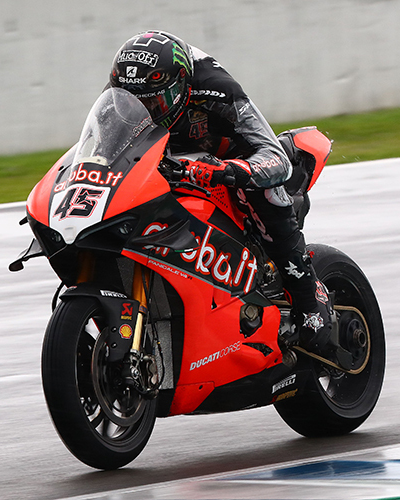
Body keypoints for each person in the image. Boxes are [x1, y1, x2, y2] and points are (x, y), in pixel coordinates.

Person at [109, 30, 334, 358]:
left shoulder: (217, 87)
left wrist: (226, 170)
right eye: (135, 103)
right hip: (170, 155)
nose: (145, 111)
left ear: (182, 86)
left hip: (231, 154)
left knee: (261, 193)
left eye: (154, 103)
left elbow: (275, 159)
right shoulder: (126, 87)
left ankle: (308, 299)